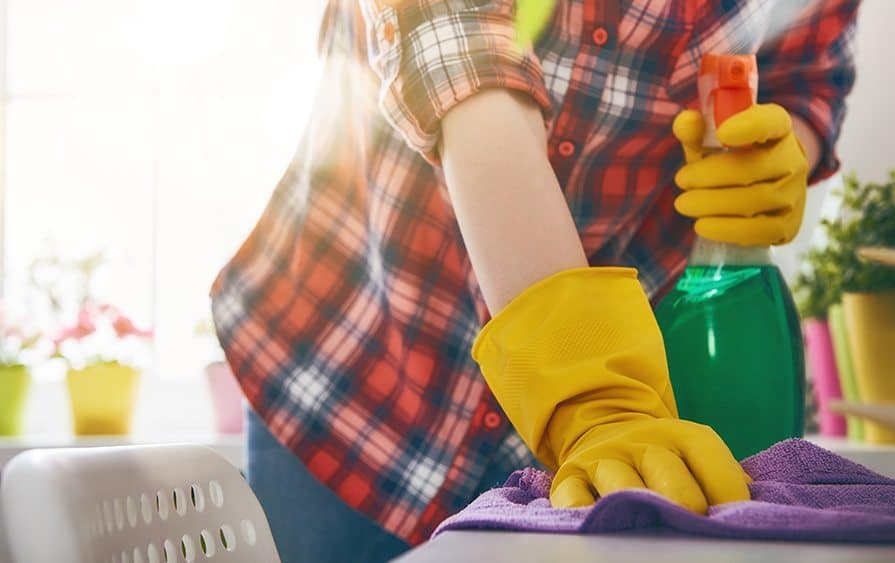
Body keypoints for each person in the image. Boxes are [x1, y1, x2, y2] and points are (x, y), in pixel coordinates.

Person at [211, 0, 859, 560]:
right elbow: (463, 63)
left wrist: (778, 157)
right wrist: (595, 397)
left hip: (590, 449)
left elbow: (806, 76)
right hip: (347, 369)